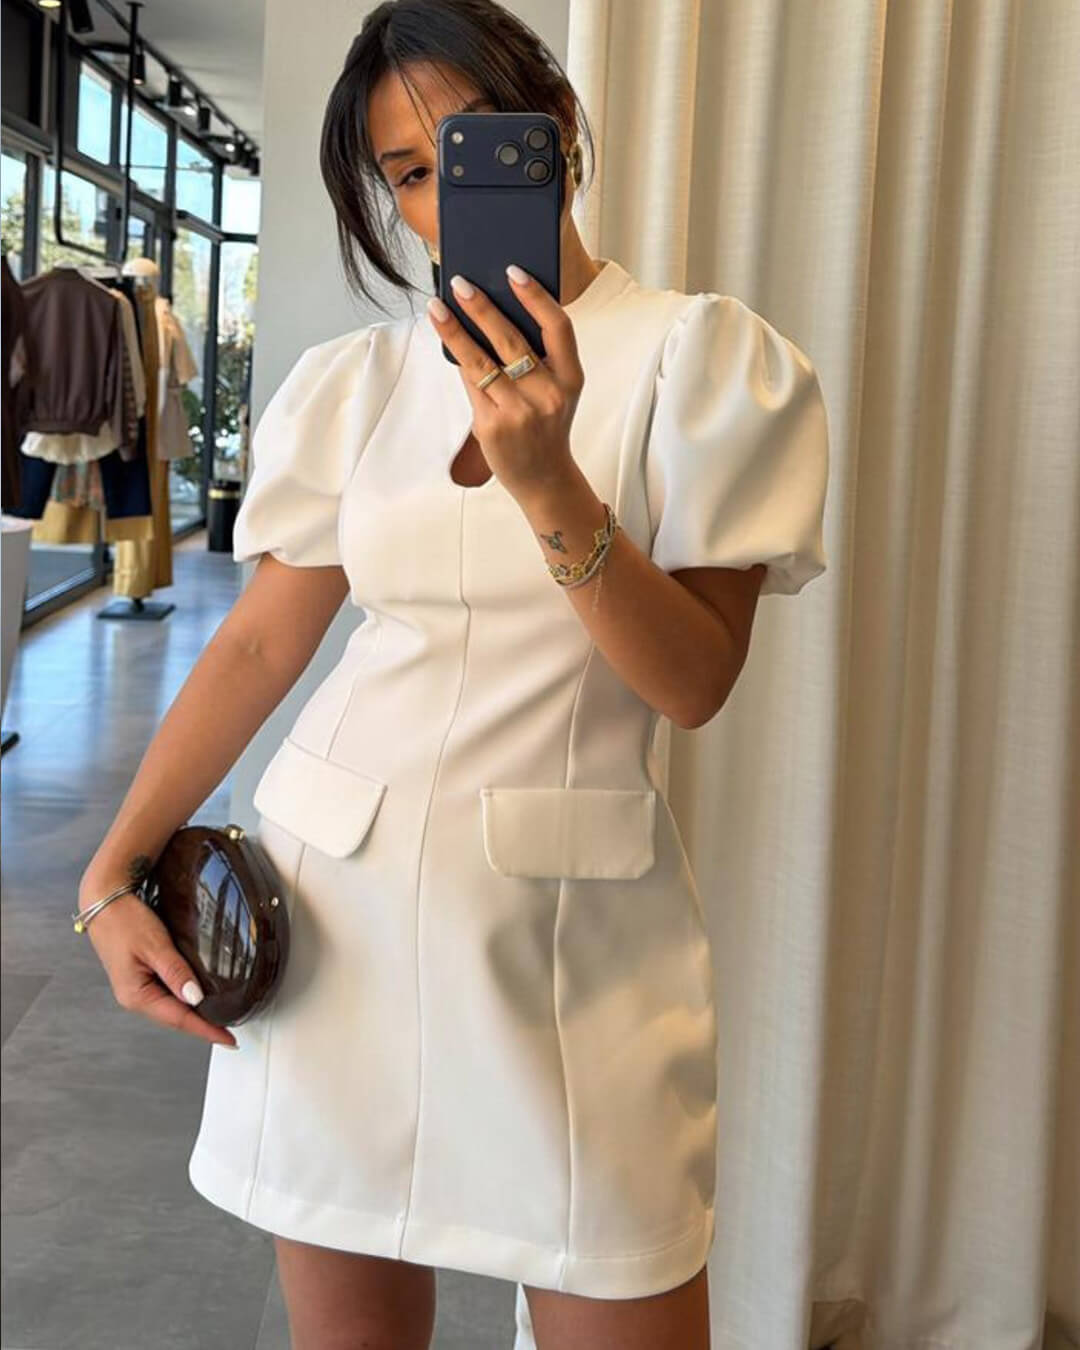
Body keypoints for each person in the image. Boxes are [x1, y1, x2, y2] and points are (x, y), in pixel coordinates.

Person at [74, 2, 829, 1348]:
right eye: (410, 172)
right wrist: (108, 874)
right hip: (331, 916)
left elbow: (694, 681)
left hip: (568, 951)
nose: (442, 192)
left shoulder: (704, 361)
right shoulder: (357, 385)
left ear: (557, 128)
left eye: (474, 146)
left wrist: (550, 481)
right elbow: (259, 644)